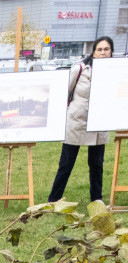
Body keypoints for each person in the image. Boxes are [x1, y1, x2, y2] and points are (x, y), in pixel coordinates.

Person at [47, 37, 114, 204]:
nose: (103, 53)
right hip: (76, 121)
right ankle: (54, 199)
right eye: (99, 49)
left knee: (97, 164)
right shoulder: (80, 69)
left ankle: (97, 199)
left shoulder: (114, 71)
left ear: (111, 52)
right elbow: (65, 91)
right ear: (94, 52)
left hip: (99, 122)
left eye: (106, 49)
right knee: (66, 164)